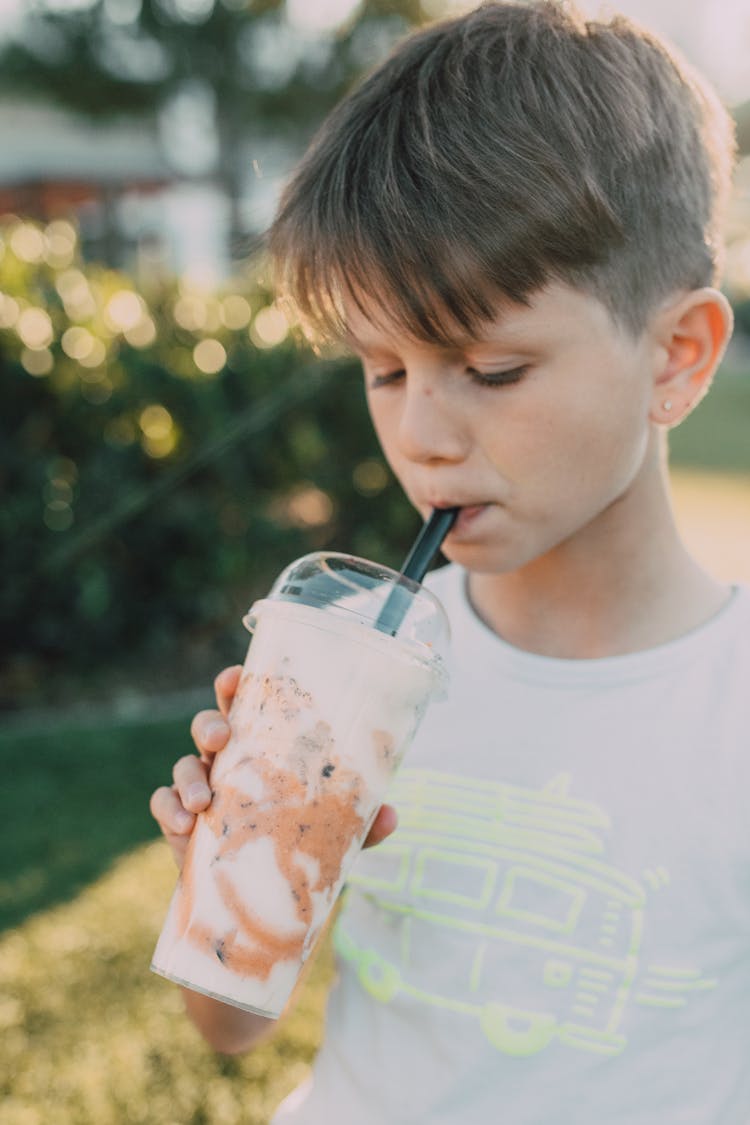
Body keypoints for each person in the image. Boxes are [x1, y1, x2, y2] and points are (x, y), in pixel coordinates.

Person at [150, 2, 750, 1120]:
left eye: (492, 369)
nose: (421, 435)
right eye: (384, 370)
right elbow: (226, 1026)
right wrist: (232, 883)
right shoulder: (357, 682)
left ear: (675, 356)